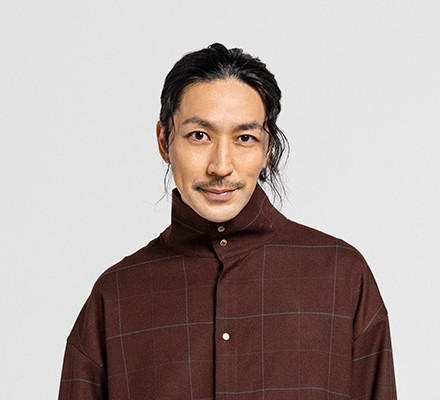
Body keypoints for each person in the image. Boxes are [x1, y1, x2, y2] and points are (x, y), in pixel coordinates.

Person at [58, 43, 397, 400]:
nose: (221, 166)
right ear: (164, 142)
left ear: (267, 150)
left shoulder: (341, 277)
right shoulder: (116, 295)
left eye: (244, 138)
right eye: (199, 136)